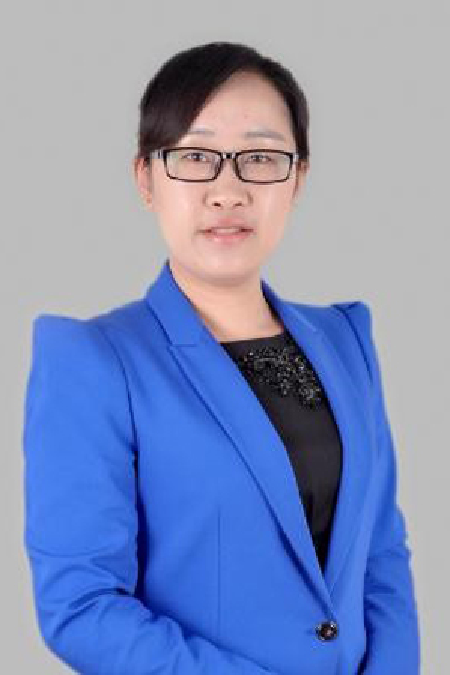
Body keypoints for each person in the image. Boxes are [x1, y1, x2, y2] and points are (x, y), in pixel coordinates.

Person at [22, 40, 420, 674]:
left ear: (298, 178)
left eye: (260, 158)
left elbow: (381, 554)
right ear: (146, 178)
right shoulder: (96, 362)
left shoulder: (345, 340)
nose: (227, 190)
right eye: (195, 157)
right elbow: (81, 606)